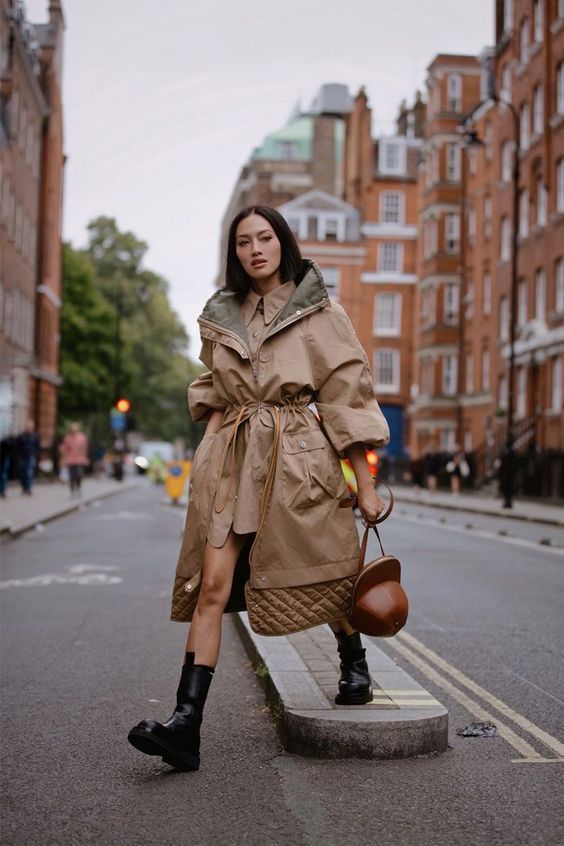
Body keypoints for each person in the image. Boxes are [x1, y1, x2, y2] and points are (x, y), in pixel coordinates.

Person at [128, 206, 390, 771]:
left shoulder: (322, 311)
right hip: (232, 461)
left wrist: (364, 486)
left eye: (264, 237)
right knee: (213, 588)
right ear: (236, 252)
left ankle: (353, 659)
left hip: (298, 459)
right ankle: (185, 726)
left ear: (282, 242)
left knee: (322, 569)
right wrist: (205, 462)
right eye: (243, 241)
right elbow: (215, 391)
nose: (255, 249)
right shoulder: (223, 315)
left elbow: (346, 398)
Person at [60, 422, 89, 496]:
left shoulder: (82, 437)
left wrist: (85, 458)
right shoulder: (67, 438)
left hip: (79, 460)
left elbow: (84, 448)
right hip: (70, 460)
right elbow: (65, 449)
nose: (74, 432)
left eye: (75, 430)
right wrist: (63, 459)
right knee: (71, 477)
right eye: (72, 430)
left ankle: (78, 489)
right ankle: (72, 491)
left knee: (79, 475)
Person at [16, 419, 40, 495]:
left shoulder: (35, 436)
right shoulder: (22, 436)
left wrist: (35, 453)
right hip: (23, 457)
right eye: (28, 427)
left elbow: (37, 446)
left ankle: (29, 488)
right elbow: (18, 446)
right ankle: (24, 488)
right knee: (23, 473)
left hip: (31, 456)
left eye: (31, 427)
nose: (29, 428)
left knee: (29, 473)